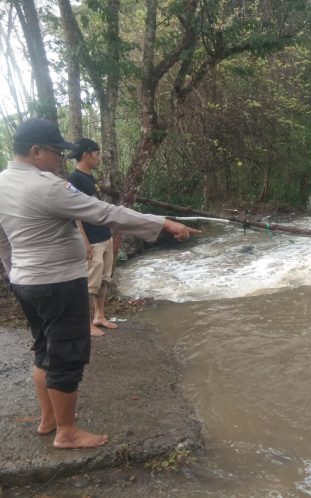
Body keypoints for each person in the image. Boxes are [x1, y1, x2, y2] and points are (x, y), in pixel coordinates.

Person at [0, 118, 200, 449]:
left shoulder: (2, 183)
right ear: (35, 151)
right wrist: (162, 222)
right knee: (66, 354)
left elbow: (3, 241)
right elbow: (106, 214)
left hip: (26, 283)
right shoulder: (48, 187)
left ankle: (48, 420)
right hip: (59, 283)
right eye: (56, 153)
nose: (60, 160)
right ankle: (67, 432)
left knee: (43, 349)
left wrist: (14, 272)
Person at [67, 138, 117, 337]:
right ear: (86, 154)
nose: (99, 158)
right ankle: (85, 324)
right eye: (97, 154)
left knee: (104, 280)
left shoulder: (90, 178)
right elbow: (74, 214)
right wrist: (84, 241)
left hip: (104, 235)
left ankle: (99, 316)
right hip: (92, 240)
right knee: (89, 284)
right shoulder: (74, 180)